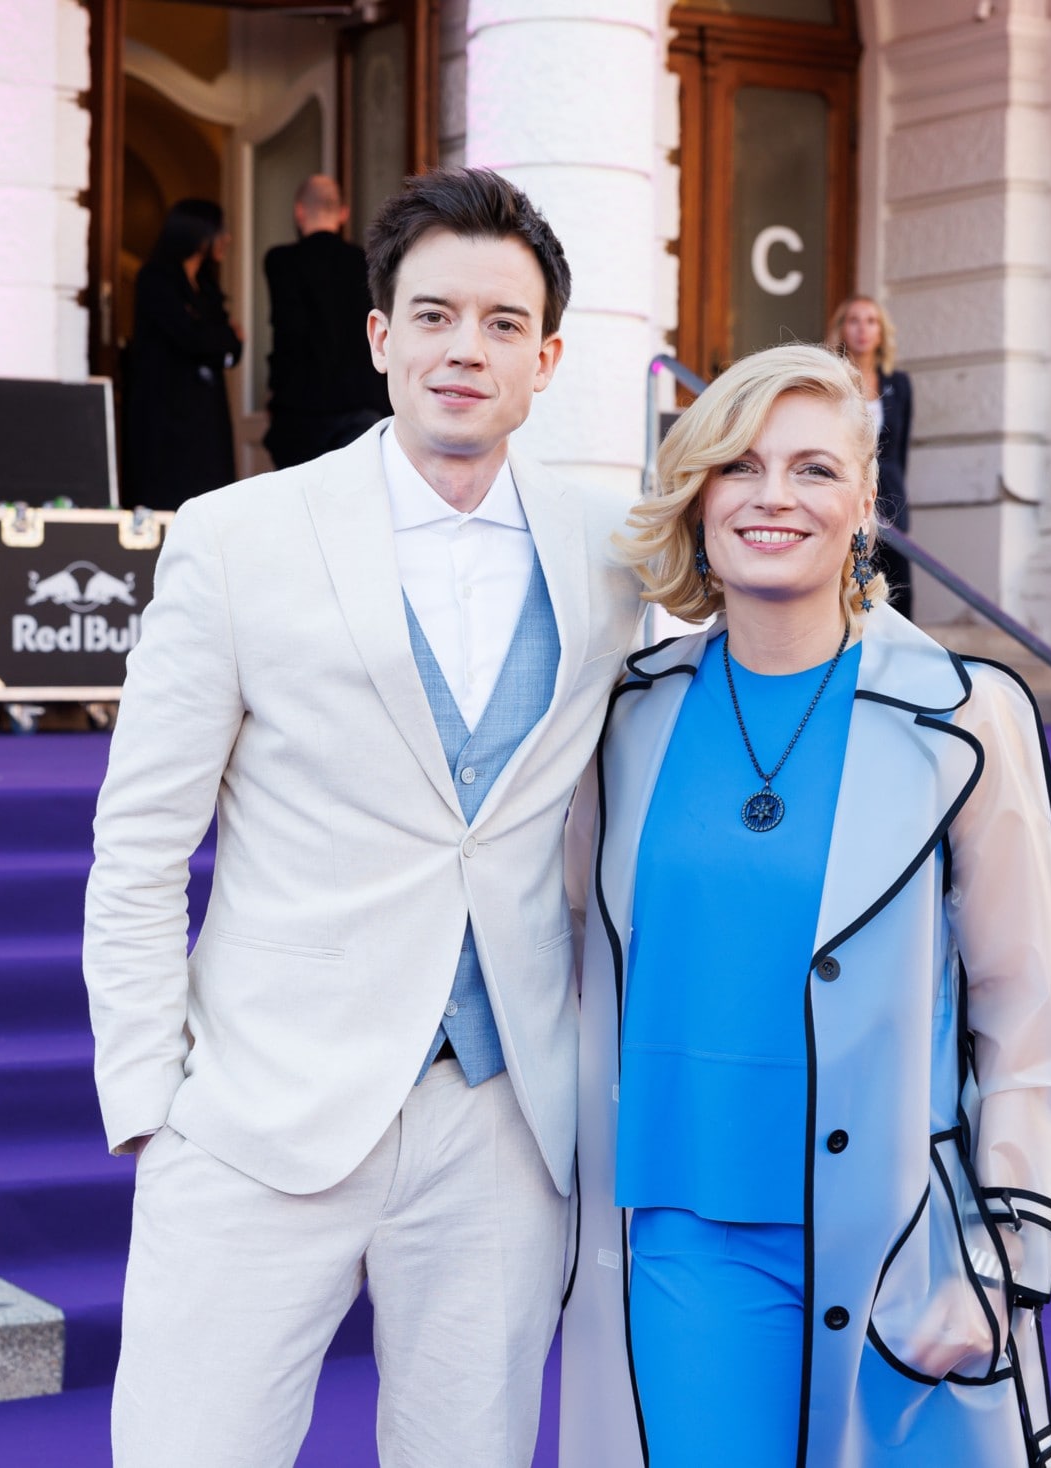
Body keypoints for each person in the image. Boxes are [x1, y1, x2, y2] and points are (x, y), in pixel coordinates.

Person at [84, 167, 644, 1467]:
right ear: (382, 334)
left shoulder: (609, 554)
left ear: (547, 357)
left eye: (504, 324)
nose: (468, 347)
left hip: (501, 1117)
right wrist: (150, 1099)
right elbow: (141, 842)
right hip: (256, 1110)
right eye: (436, 314)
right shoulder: (238, 536)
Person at [559, 343, 1051, 1468]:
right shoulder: (623, 714)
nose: (770, 497)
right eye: (738, 466)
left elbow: (1029, 1001)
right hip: (681, 1233)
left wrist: (1006, 1250)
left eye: (811, 469)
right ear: (697, 496)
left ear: (864, 506)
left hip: (896, 1235)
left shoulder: (963, 714)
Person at [262, 174, 391, 468]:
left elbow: (287, 333)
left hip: (300, 406)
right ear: (343, 213)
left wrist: (276, 391)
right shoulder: (368, 263)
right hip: (362, 403)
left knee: (300, 505)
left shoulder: (281, 261)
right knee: (356, 504)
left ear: (299, 210)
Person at [123, 199, 243, 510]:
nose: (226, 238)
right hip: (166, 415)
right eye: (220, 230)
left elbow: (231, 345)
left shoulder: (206, 286)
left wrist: (216, 340)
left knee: (210, 500)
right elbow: (190, 336)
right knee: (168, 499)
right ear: (198, 232)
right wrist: (218, 339)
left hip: (205, 417)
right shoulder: (156, 278)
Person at [826, 295, 913, 616]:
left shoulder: (898, 384)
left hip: (889, 495)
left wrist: (900, 499)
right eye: (854, 320)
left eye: (871, 321)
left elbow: (900, 450)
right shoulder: (832, 380)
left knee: (897, 584)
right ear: (841, 329)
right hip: (843, 491)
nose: (863, 329)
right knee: (849, 579)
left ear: (881, 332)